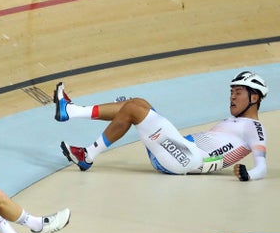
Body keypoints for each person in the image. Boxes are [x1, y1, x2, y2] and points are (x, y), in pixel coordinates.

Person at [54, 71, 268, 181]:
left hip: (186, 159)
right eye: (231, 92)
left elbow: (262, 167)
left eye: (238, 93)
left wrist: (248, 174)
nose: (232, 97)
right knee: (138, 103)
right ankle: (70, 111)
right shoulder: (238, 122)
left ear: (254, 97)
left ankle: (87, 155)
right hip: (179, 155)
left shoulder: (253, 128)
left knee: (133, 109)